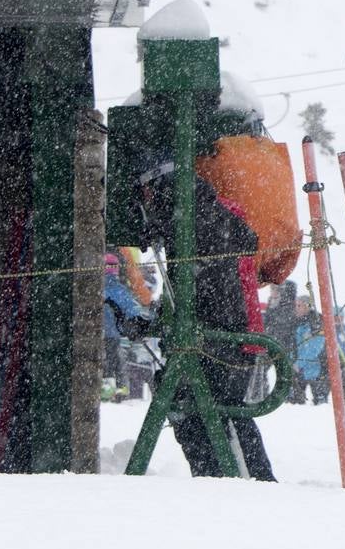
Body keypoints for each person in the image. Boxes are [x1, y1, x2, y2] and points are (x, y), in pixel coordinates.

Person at [133, 157, 276, 480]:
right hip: (228, 331)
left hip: (221, 335)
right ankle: (234, 478)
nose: (146, 203)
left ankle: (227, 479)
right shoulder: (208, 213)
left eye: (146, 194)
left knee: (208, 410)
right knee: (217, 411)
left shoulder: (198, 219)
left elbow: (207, 287)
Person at [100, 252, 150, 401]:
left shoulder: (96, 290)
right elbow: (133, 309)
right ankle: (119, 386)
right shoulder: (120, 290)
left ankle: (106, 386)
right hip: (114, 335)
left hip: (98, 334)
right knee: (115, 359)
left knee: (107, 361)